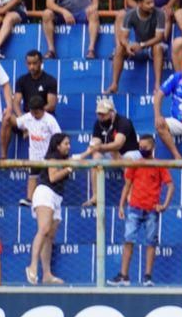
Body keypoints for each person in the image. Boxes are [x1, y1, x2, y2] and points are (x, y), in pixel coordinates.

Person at [109, 132, 172, 286]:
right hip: (134, 208)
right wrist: (121, 205)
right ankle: (124, 276)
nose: (143, 148)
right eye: (140, 146)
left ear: (153, 147)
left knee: (150, 243)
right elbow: (127, 185)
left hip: (152, 210)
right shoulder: (135, 164)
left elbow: (170, 185)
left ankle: (147, 276)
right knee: (128, 240)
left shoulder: (159, 165)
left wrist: (164, 205)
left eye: (146, 146)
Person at [26, 131, 74, 285]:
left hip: (57, 197)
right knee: (44, 229)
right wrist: (68, 169)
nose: (69, 146)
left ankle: (47, 274)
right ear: (57, 145)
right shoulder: (53, 158)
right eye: (66, 143)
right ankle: (32, 266)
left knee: (50, 236)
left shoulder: (65, 160)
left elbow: (78, 158)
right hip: (45, 192)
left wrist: (91, 150)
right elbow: (53, 177)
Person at [78, 96, 140, 208]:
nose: (100, 116)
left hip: (129, 152)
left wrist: (99, 147)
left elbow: (118, 144)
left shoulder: (123, 122)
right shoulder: (98, 124)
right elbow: (95, 143)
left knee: (123, 156)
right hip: (112, 153)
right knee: (96, 156)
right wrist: (86, 153)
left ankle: (130, 194)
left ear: (112, 113)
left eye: (103, 114)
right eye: (99, 114)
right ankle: (96, 196)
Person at [106, 0, 167, 95]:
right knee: (120, 48)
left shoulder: (159, 14)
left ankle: (157, 86)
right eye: (148, 3)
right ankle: (114, 85)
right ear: (139, 3)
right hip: (139, 47)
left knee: (157, 46)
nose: (152, 5)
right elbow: (123, 37)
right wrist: (128, 45)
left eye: (153, 2)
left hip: (153, 46)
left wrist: (142, 45)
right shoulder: (130, 14)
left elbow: (159, 37)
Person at [9, 92, 62, 206]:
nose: (34, 115)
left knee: (48, 180)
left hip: (48, 157)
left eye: (36, 112)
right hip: (34, 156)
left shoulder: (50, 120)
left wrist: (55, 154)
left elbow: (58, 136)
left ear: (43, 109)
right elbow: (16, 122)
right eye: (32, 112)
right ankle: (30, 199)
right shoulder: (28, 117)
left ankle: (51, 201)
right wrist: (8, 114)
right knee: (32, 176)